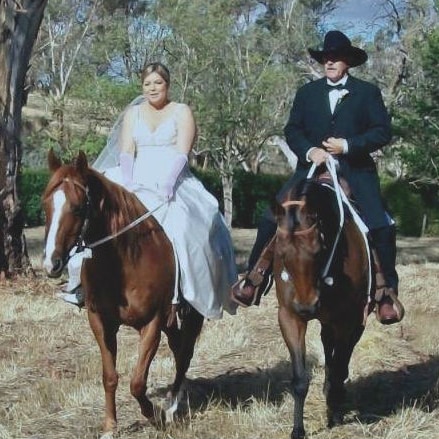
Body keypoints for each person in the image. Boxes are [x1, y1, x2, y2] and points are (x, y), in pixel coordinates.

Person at [231, 30, 405, 325]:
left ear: (348, 61)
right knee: (269, 217)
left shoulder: (367, 93)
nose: (330, 62)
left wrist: (347, 146)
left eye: (335, 57)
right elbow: (292, 130)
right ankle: (254, 277)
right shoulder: (307, 93)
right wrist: (310, 150)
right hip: (310, 172)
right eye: (326, 57)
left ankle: (385, 292)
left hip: (354, 172)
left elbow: (382, 132)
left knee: (381, 224)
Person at [58, 62, 238, 320]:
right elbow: (127, 150)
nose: (152, 88)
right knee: (92, 221)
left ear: (167, 85)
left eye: (158, 83)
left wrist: (168, 182)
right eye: (147, 83)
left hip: (172, 179)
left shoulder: (181, 111)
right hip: (134, 177)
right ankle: (80, 286)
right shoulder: (134, 113)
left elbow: (182, 152)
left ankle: (185, 294)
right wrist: (127, 184)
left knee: (188, 228)